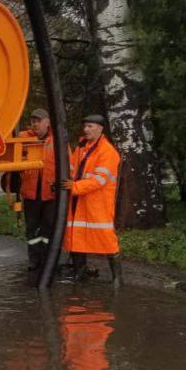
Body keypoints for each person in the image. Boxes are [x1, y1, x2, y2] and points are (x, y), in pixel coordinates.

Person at [58, 114, 121, 282]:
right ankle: (80, 273)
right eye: (85, 126)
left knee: (107, 239)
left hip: (97, 203)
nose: (85, 129)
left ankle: (117, 278)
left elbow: (99, 180)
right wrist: (65, 183)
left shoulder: (108, 152)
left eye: (90, 126)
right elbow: (71, 169)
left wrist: (74, 187)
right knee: (76, 238)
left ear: (100, 129)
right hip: (79, 201)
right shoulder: (81, 148)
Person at [2, 108, 57, 273]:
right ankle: (34, 259)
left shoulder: (57, 142)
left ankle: (48, 259)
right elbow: (12, 160)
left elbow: (68, 167)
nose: (35, 124)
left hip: (51, 194)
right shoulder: (24, 139)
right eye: (33, 121)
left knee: (48, 228)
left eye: (38, 121)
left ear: (47, 122)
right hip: (30, 193)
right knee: (32, 229)